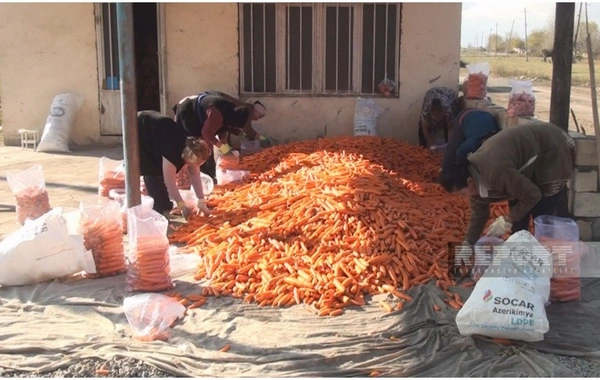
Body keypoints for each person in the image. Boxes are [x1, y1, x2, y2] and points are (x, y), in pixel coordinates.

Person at [439, 122, 575, 252]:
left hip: (550, 147)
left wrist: (507, 219)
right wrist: (468, 244)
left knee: (542, 211)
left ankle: (552, 256)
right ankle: (519, 252)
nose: (463, 197)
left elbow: (533, 195)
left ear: (469, 181)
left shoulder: (495, 171)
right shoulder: (474, 179)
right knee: (518, 207)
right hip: (523, 162)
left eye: (461, 193)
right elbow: (479, 215)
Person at [137, 110, 214, 220]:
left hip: (160, 129)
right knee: (152, 169)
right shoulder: (172, 152)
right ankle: (157, 210)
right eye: (194, 162)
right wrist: (181, 205)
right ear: (187, 155)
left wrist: (201, 200)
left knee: (160, 170)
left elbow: (195, 175)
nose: (194, 165)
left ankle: (165, 203)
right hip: (142, 127)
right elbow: (170, 182)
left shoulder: (193, 150)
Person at [172, 91, 267, 181]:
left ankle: (206, 172)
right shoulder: (217, 114)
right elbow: (207, 133)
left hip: (199, 112)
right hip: (187, 112)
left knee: (205, 147)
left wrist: (226, 146)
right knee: (197, 147)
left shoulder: (231, 112)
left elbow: (224, 129)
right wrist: (222, 147)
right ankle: (186, 174)